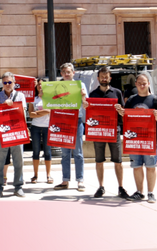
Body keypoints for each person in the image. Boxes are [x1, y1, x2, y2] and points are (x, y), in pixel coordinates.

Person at [89, 66, 130, 199]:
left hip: (114, 130)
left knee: (118, 161)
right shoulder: (93, 94)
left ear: (110, 78)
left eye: (106, 76)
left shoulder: (117, 92)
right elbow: (90, 114)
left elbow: (124, 113)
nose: (104, 78)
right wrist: (86, 106)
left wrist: (120, 110)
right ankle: (101, 187)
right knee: (99, 160)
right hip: (98, 131)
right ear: (98, 78)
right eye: (102, 76)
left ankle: (121, 187)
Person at [116, 73, 157, 203]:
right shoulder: (132, 100)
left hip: (150, 139)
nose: (142, 85)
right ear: (136, 84)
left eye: (144, 83)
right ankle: (140, 192)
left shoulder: (155, 100)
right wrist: (121, 112)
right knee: (136, 166)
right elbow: (126, 118)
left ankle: (151, 193)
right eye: (139, 83)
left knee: (151, 166)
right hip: (134, 139)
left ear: (149, 83)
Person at [0, 72, 27, 198]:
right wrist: (3, 105)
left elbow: (22, 113)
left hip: (17, 131)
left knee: (19, 161)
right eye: (5, 82)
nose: (7, 85)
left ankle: (18, 187)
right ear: (2, 84)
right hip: (1, 132)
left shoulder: (21, 96)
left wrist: (13, 106)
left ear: (14, 83)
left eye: (9, 82)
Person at [53, 63, 88, 192]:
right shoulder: (56, 87)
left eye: (69, 72)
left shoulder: (81, 85)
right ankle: (65, 180)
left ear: (73, 73)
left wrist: (83, 96)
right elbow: (52, 103)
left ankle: (80, 180)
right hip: (62, 120)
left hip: (76, 120)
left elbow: (86, 105)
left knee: (78, 152)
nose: (66, 74)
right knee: (65, 153)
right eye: (64, 72)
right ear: (61, 74)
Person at [28, 78, 52, 185]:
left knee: (48, 152)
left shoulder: (51, 99)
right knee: (36, 151)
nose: (40, 86)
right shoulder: (33, 99)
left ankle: (48, 175)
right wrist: (45, 111)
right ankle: (35, 175)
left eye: (42, 84)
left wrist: (38, 112)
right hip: (35, 127)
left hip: (47, 127)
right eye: (38, 84)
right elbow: (31, 114)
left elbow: (51, 111)